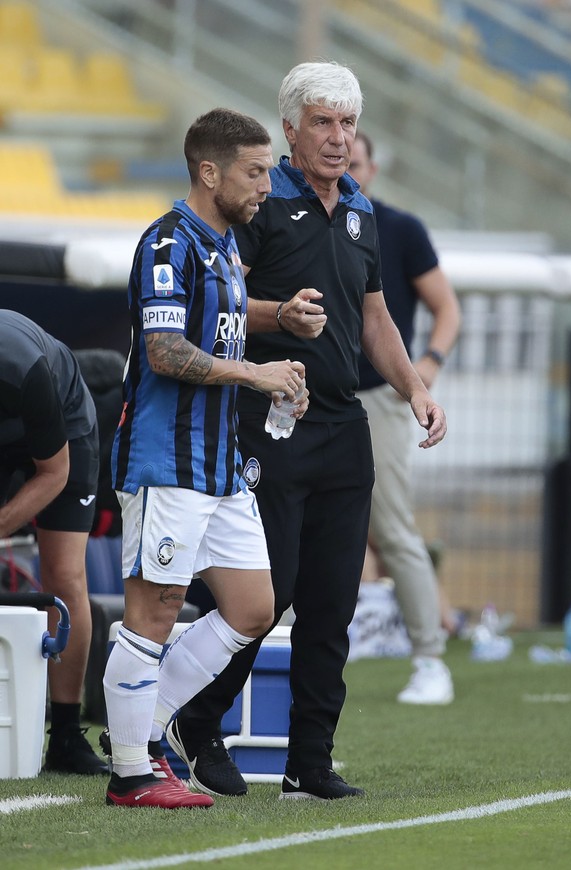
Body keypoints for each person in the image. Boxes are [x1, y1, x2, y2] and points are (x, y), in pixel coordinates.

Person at [168, 61, 447, 802]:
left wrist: (415, 386)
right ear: (290, 129)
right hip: (268, 422)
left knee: (333, 602)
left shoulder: (361, 211)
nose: (338, 138)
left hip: (344, 423)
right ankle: (198, 724)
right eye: (323, 122)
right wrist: (278, 317)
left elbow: (377, 317)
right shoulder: (258, 204)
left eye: (348, 123)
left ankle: (308, 764)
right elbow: (221, 298)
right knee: (271, 589)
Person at [102, 107, 307, 809]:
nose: (267, 187)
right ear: (209, 171)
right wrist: (254, 374)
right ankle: (132, 772)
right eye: (255, 172)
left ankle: (146, 725)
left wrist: (277, 339)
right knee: (154, 610)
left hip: (219, 465)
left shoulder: (222, 246)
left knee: (254, 607)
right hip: (166, 461)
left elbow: (220, 324)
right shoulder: (167, 243)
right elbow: (164, 352)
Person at [348, 131, 462, 704]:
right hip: (307, 396)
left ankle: (429, 658)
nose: (348, 166)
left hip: (377, 397)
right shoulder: (299, 220)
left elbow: (446, 307)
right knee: (292, 527)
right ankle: (285, 652)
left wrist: (425, 371)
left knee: (392, 529)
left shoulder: (400, 229)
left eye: (357, 159)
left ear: (371, 167)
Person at [0, 310, 108, 775]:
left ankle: (65, 731)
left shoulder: (24, 370)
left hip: (62, 432)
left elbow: (54, 474)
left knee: (63, 574)